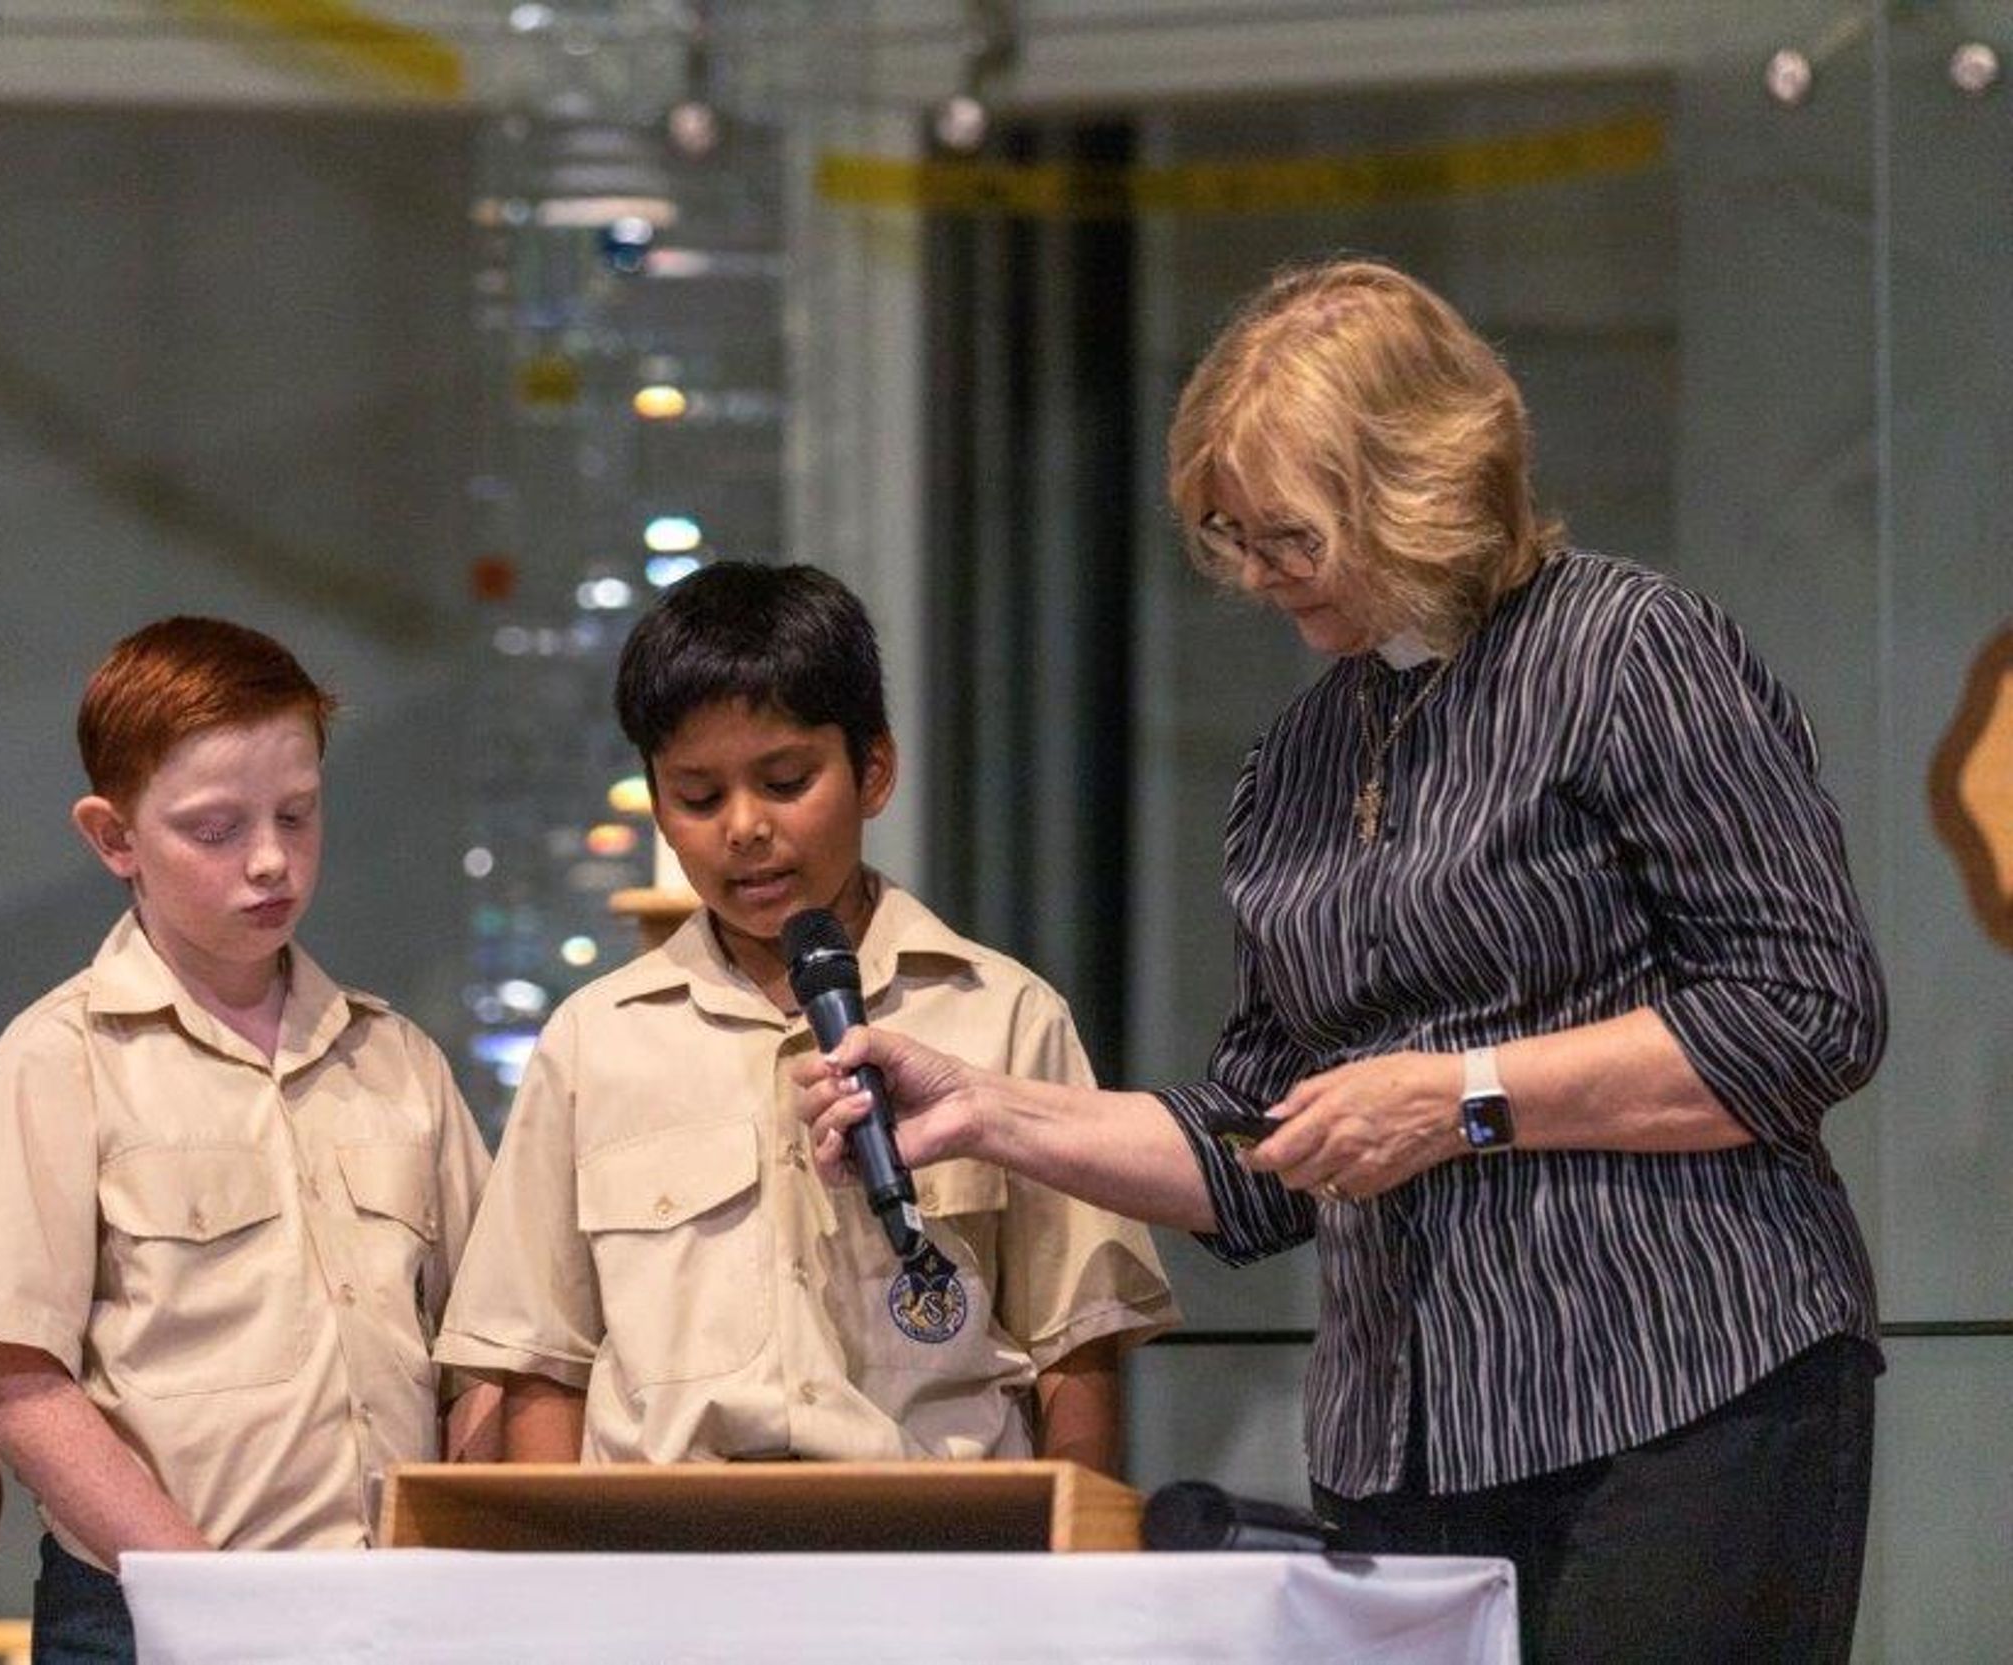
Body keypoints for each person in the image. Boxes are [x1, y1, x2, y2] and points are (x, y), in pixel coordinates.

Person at [799, 260, 1885, 1661]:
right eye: (1233, 538)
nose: (1256, 578)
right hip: (1402, 1442)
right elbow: (1263, 1154)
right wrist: (985, 1112)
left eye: (1287, 538)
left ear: (1414, 487)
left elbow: (1805, 1012)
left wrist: (1463, 1099)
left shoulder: (1629, 650)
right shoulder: (1298, 756)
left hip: (1685, 1395)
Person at [436, 562, 1175, 1469]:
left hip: (937, 1532)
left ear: (874, 770)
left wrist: (1076, 1546)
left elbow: (1077, 1348)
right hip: (663, 1536)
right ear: (658, 805)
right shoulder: (596, 1041)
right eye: (699, 796)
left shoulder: (1006, 1016)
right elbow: (543, 1364)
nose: (745, 827)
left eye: (785, 781)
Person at [0, 617, 496, 1661]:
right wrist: (212, 1600)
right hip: (148, 1614)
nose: (271, 860)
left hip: (393, 1609)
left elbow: (488, 1345)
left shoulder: (397, 1059)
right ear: (113, 838)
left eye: (297, 814)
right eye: (216, 829)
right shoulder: (57, 1060)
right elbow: (15, 1383)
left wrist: (448, 1551)